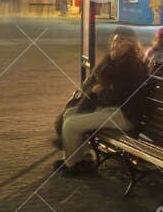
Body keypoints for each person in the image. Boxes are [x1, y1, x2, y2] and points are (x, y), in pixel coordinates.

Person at [56, 30, 150, 175]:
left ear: (129, 45)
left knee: (71, 124)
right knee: (69, 114)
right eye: (112, 41)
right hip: (110, 109)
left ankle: (73, 164)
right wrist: (94, 94)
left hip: (124, 115)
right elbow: (102, 87)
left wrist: (95, 93)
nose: (113, 45)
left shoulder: (130, 66)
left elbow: (115, 96)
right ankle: (82, 158)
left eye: (119, 42)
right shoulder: (115, 62)